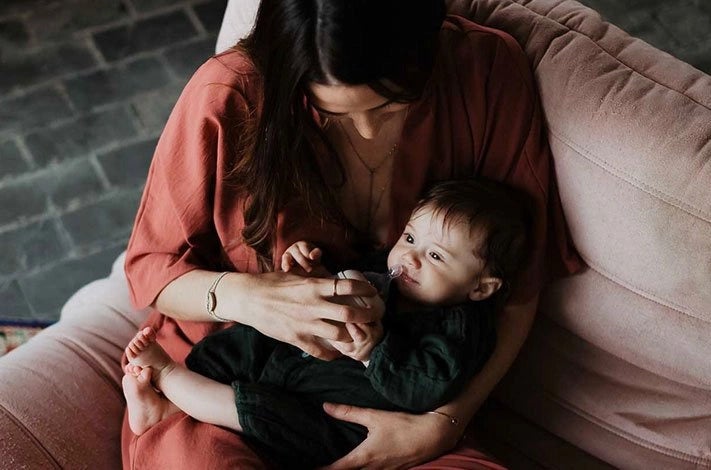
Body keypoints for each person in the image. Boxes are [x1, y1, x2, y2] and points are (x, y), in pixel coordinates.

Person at [121, 0, 584, 467]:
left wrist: (443, 424)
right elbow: (152, 270)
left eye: (389, 104)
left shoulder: (486, 73)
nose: (365, 130)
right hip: (227, 377)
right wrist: (251, 297)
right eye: (332, 112)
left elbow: (518, 291)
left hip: (395, 403)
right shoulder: (228, 94)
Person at [122, 178, 531, 468]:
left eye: (436, 256)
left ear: (480, 288)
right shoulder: (387, 273)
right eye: (409, 239)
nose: (410, 258)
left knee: (266, 411)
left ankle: (170, 382)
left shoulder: (459, 330)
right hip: (295, 362)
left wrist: (375, 351)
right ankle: (163, 405)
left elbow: (424, 387)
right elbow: (341, 287)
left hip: (330, 419)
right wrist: (313, 276)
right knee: (242, 342)